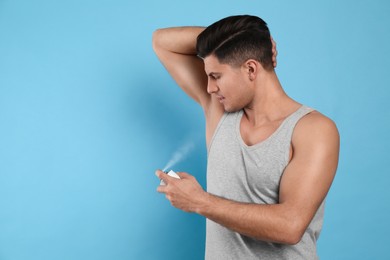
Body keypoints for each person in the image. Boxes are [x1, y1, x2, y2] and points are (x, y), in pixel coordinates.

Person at [153, 15, 339, 259]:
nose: (209, 88)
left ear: (251, 69)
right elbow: (162, 41)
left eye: (216, 76)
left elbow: (290, 226)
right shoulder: (219, 112)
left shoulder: (313, 129)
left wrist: (199, 201)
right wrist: (247, 40)